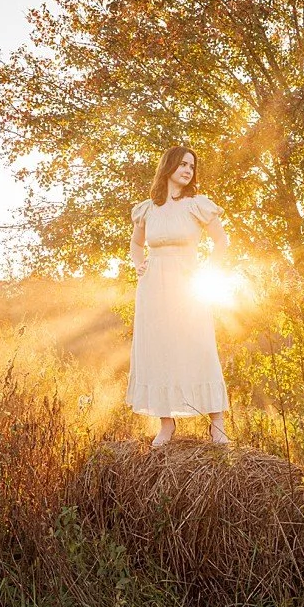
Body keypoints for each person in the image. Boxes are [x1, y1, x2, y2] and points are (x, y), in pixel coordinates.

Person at [125, 145, 232, 447]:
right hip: (153, 288)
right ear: (169, 166)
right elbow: (135, 244)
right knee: (159, 350)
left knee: (199, 345)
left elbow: (221, 241)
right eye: (183, 164)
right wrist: (138, 264)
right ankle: (166, 424)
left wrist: (208, 271)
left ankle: (217, 423)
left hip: (189, 286)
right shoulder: (147, 209)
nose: (188, 170)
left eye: (192, 166)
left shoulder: (197, 204)